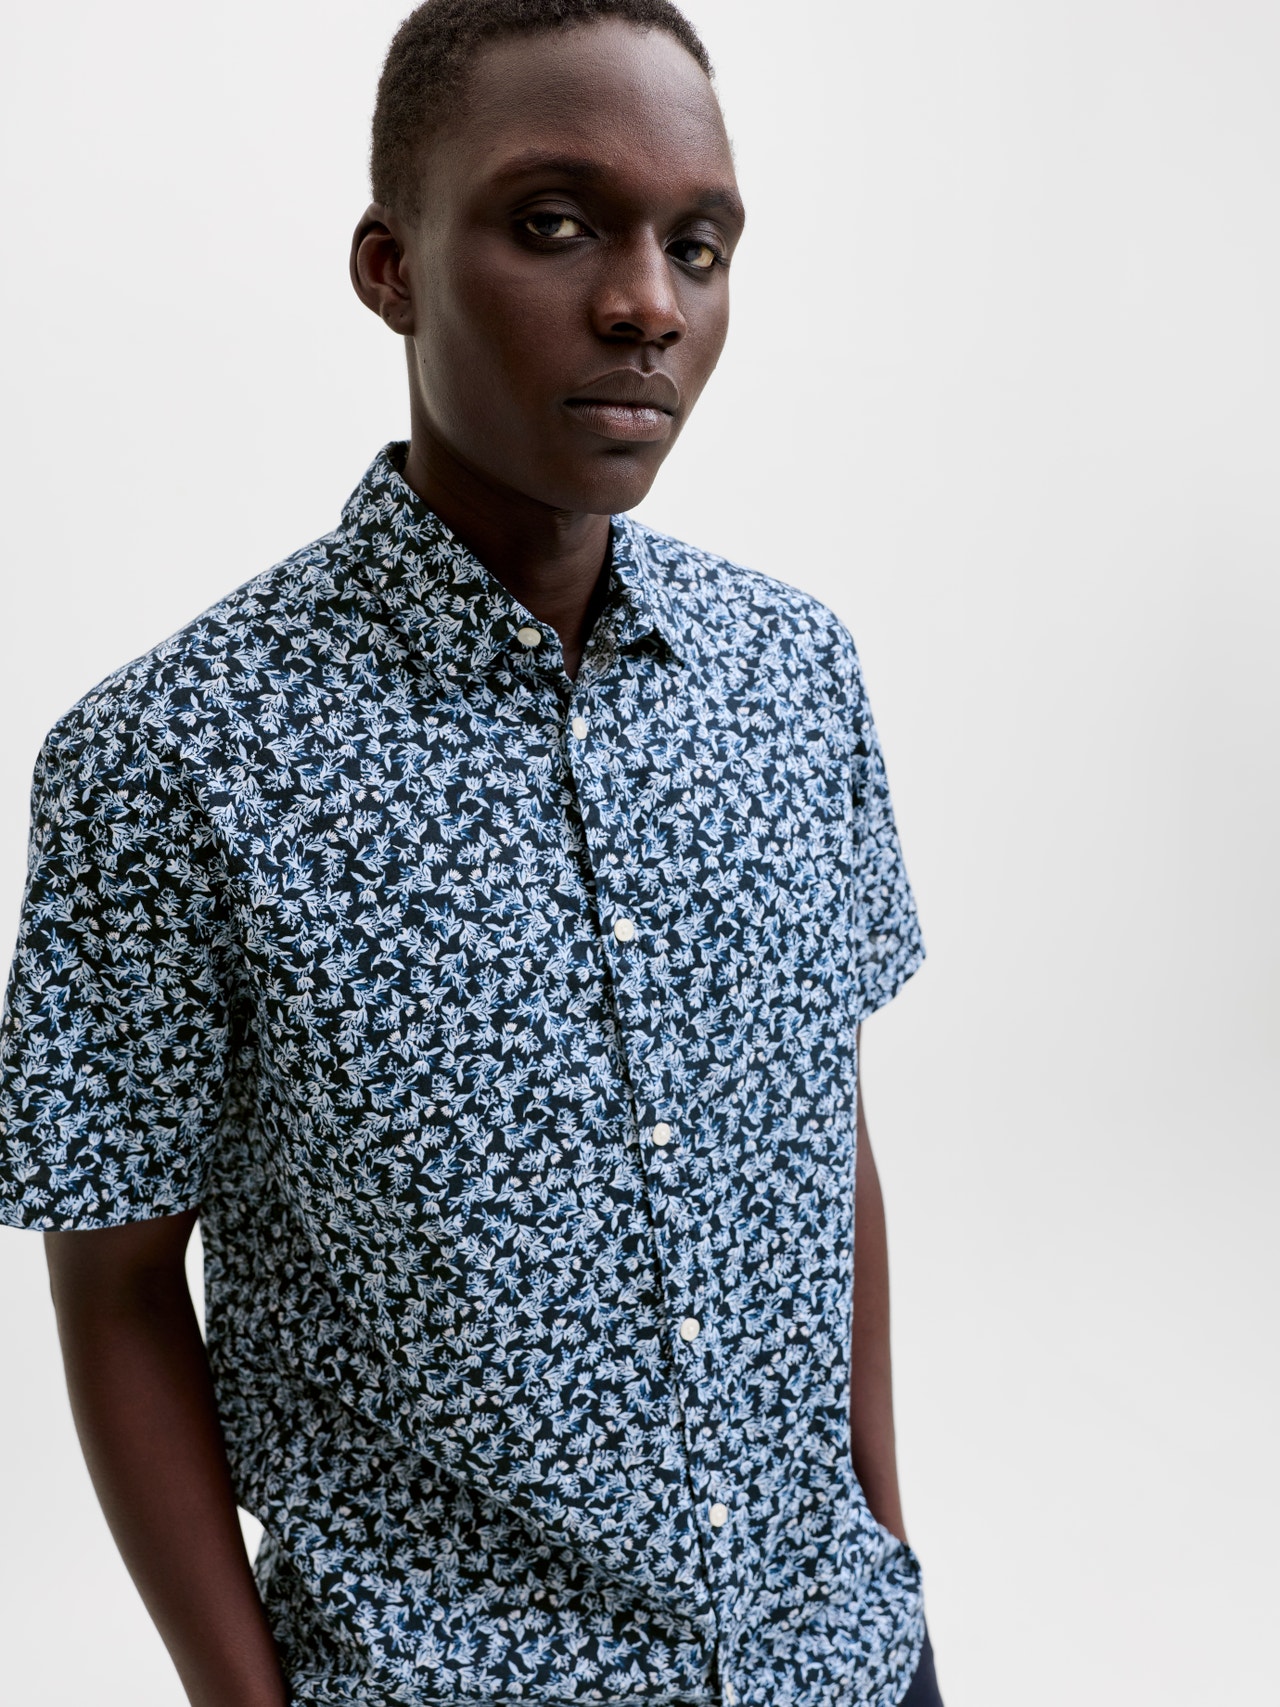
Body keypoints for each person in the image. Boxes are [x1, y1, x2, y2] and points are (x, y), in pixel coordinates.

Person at [0, 2, 943, 1703]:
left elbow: (827, 1136)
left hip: (840, 1661)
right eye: (556, 224)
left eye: (699, 245)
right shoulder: (170, 761)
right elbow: (120, 1289)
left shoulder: (796, 676)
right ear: (390, 266)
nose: (648, 304)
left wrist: (891, 1563)